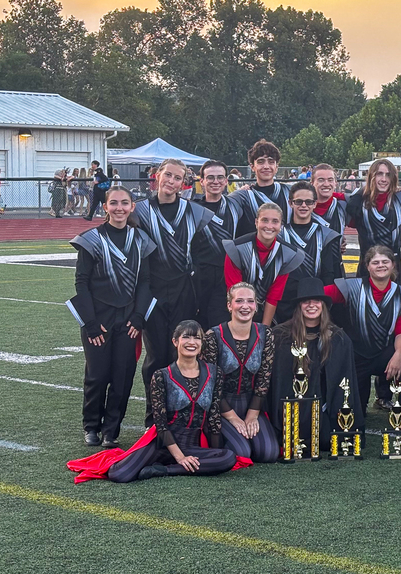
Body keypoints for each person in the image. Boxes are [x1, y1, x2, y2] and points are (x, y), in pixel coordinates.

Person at [130, 158, 215, 427]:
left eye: (178, 178)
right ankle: (153, 416)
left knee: (183, 354)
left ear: (183, 183)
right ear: (157, 175)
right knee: (156, 355)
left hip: (183, 289)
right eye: (168, 175)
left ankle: (180, 414)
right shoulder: (138, 212)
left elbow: (206, 255)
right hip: (152, 290)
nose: (171, 181)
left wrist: (201, 296)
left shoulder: (194, 211)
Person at [69, 186, 155, 448]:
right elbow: (81, 283)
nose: (119, 208)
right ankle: (91, 426)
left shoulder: (140, 239)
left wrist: (139, 316)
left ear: (132, 207)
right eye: (114, 203)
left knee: (123, 376)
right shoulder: (91, 239)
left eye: (125, 203)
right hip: (99, 320)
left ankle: (111, 430)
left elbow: (145, 282)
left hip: (128, 320)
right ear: (105, 207)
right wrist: (90, 324)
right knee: (97, 375)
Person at [104, 320, 239, 482]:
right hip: (163, 444)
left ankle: (165, 470)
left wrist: (214, 451)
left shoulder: (214, 373)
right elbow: (160, 424)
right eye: (186, 337)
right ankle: (177, 462)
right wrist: (180, 457)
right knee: (118, 474)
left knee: (228, 458)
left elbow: (214, 417)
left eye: (197, 338)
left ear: (202, 343)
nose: (192, 342)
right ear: (175, 341)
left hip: (192, 445)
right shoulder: (161, 376)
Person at [324, 246, 401, 419]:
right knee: (355, 416)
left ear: (393, 265)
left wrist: (398, 354)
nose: (381, 266)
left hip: (383, 356)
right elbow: (320, 295)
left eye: (385, 262)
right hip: (355, 357)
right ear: (367, 266)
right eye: (375, 262)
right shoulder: (351, 287)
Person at [269, 277, 363, 450]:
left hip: (323, 409)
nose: (311, 305)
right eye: (306, 301)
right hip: (292, 411)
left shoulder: (338, 338)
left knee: (326, 441)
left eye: (316, 301)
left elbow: (344, 382)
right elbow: (278, 381)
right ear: (299, 306)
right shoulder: (281, 336)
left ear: (323, 305)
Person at [202, 282, 279, 463]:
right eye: (239, 301)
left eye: (250, 301)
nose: (245, 306)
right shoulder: (213, 336)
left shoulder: (266, 334)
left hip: (251, 404)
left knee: (268, 453)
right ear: (229, 305)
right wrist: (233, 418)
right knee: (242, 453)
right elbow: (209, 383)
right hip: (220, 406)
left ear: (256, 306)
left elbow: (264, 378)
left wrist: (252, 415)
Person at [223, 202, 304, 325]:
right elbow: (234, 291)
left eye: (275, 221)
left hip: (264, 309)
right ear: (256, 222)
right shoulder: (236, 248)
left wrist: (264, 329)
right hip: (233, 307)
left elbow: (274, 296)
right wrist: (240, 327)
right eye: (264, 220)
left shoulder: (287, 254)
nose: (269, 226)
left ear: (281, 225)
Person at [275, 181, 342, 323]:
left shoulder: (325, 235)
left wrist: (324, 303)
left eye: (308, 202)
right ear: (290, 203)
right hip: (285, 303)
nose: (303, 206)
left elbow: (328, 273)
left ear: (314, 204)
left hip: (314, 302)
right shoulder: (279, 234)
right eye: (298, 201)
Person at [192, 160, 246, 329]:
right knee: (198, 326)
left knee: (222, 326)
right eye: (210, 177)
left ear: (225, 181)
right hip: (200, 276)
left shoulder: (236, 206)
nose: (215, 181)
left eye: (220, 177)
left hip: (227, 275)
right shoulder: (192, 209)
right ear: (202, 181)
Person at [345, 159, 401, 280]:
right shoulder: (358, 201)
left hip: (394, 270)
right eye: (379, 174)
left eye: (388, 175)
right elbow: (328, 198)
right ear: (371, 177)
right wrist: (361, 191)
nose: (384, 179)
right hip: (367, 268)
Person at [231, 139, 290, 234]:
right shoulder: (242, 198)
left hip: (284, 247)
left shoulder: (289, 192)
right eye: (261, 162)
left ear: (276, 167)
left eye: (271, 162)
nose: (266, 166)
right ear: (252, 167)